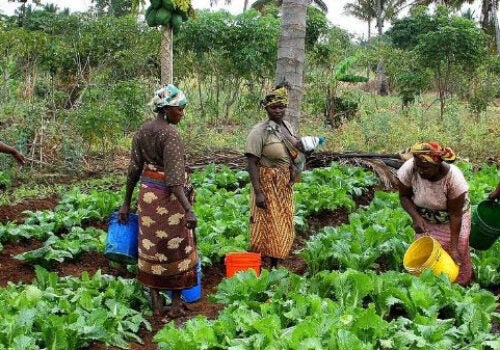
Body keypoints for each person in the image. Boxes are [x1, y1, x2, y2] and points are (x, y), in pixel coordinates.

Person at [118, 84, 198, 319]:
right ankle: (174, 306)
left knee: (151, 247)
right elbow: (174, 181)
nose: (182, 112)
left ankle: (155, 304)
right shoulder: (170, 134)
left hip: (148, 197)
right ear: (165, 109)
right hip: (169, 200)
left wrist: (126, 203)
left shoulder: (143, 131)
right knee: (175, 248)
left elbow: (134, 169)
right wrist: (189, 209)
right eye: (179, 108)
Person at [397, 142, 472, 285]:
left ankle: (461, 285)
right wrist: (416, 218)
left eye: (425, 168)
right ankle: (430, 287)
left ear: (437, 165)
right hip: (426, 217)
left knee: (456, 253)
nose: (420, 171)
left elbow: (455, 215)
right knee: (427, 252)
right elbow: (404, 196)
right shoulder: (409, 169)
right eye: (417, 165)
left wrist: (454, 247)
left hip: (453, 219)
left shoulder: (454, 179)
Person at [244, 85, 301, 269]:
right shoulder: (259, 132)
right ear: (266, 109)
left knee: (283, 222)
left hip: (283, 183)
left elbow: (292, 151)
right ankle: (262, 264)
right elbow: (252, 162)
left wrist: (292, 169)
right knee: (266, 224)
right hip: (267, 183)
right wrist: (258, 192)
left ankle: (276, 263)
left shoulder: (287, 127)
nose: (278, 110)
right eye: (273, 107)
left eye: (281, 107)